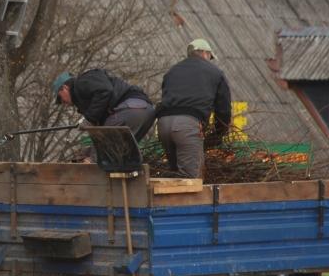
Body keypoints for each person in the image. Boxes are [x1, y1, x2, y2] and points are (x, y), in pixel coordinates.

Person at [155, 39, 232, 179]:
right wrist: (218, 135)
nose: (210, 60)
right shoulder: (215, 72)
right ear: (204, 53)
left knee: (175, 173)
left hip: (163, 124)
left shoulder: (172, 71)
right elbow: (223, 110)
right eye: (210, 56)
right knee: (190, 179)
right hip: (187, 126)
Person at [52, 68, 156, 141]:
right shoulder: (85, 97)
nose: (63, 103)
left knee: (104, 148)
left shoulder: (81, 82)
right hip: (147, 112)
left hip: (131, 108)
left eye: (60, 98)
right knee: (123, 152)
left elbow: (105, 90)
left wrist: (89, 119)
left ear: (65, 88)